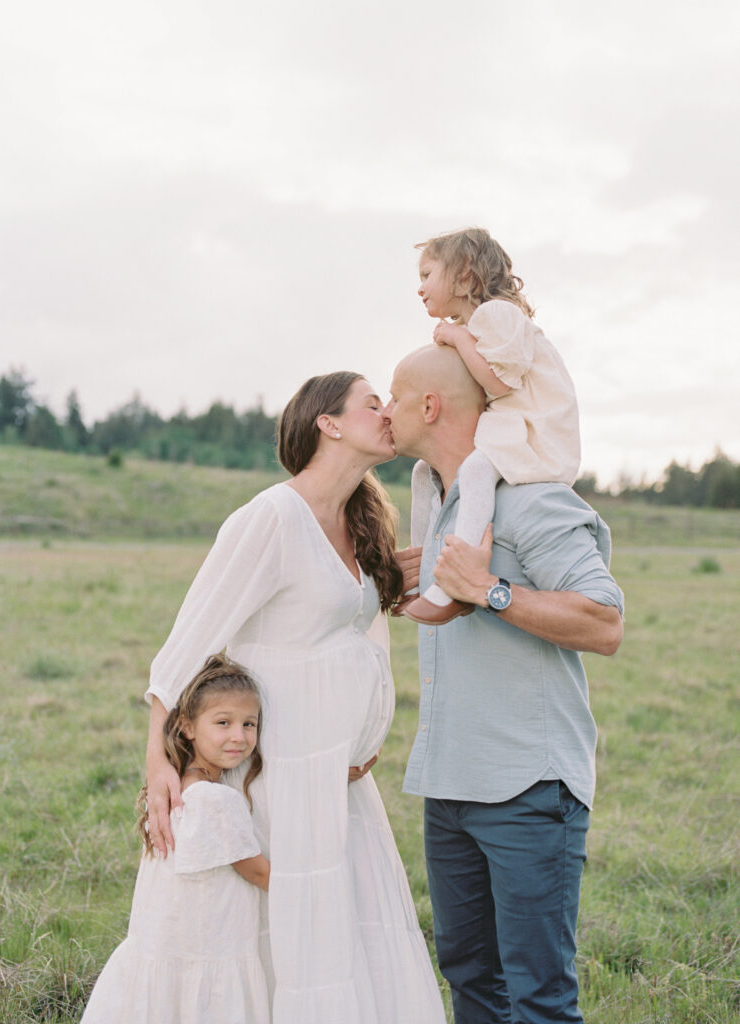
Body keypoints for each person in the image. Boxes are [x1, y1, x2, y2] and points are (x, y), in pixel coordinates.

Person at [145, 372, 447, 1024]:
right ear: (328, 424)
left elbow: (341, 629)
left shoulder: (359, 522)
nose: (388, 412)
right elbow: (185, 647)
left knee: (344, 933)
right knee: (283, 931)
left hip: (337, 774)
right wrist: (159, 761)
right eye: (373, 403)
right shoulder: (270, 518)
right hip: (276, 766)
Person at [386, 345, 624, 1024]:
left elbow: (605, 621)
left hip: (526, 788)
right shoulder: (439, 502)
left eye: (394, 395)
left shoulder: (531, 499)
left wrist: (490, 591)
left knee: (539, 995)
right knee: (469, 976)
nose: (384, 407)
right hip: (449, 784)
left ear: (430, 406)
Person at [402, 226, 581, 626]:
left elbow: (500, 383)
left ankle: (454, 582)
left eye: (427, 275)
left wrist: (459, 339)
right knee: (422, 472)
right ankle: (422, 570)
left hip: (534, 431)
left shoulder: (495, 314)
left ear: (464, 275)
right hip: (510, 424)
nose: (420, 288)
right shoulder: (481, 322)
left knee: (477, 470)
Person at [81, 654, 270, 1024]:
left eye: (250, 723)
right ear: (187, 726)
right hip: (208, 946)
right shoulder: (216, 801)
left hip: (165, 942)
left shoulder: (174, 789)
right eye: (223, 722)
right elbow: (259, 873)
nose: (240, 736)